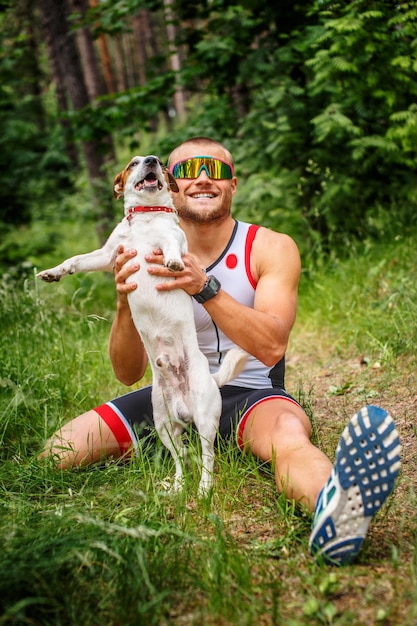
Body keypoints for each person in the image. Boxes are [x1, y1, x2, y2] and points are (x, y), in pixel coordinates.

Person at [40, 137, 401, 565]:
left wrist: (202, 285)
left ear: (233, 183)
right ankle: (176, 446)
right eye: (189, 171)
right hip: (172, 389)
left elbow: (270, 346)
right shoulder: (137, 244)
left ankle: (339, 509)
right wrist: (123, 300)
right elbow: (127, 373)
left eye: (216, 170)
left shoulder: (270, 246)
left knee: (288, 438)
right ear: (170, 185)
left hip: (250, 394)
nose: (203, 179)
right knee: (59, 451)